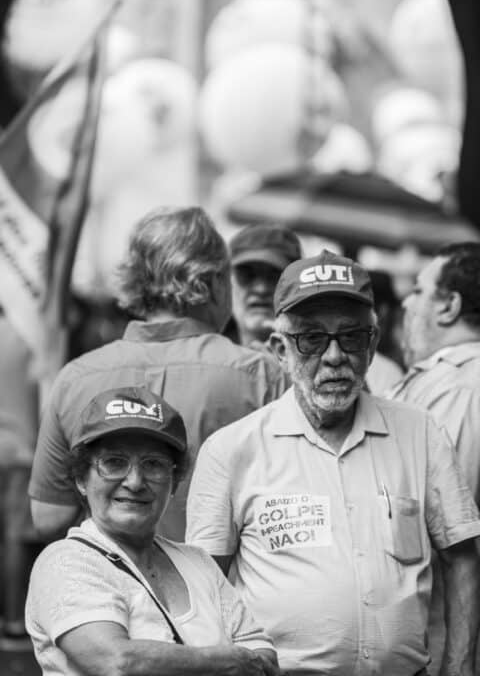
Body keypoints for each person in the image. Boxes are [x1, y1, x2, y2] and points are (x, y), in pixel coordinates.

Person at [187, 249, 480, 676]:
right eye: (311, 339)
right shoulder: (232, 450)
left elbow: (462, 556)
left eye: (351, 337)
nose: (334, 356)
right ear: (280, 350)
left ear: (373, 345)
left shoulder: (421, 433)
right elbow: (203, 590)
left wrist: (459, 666)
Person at [29, 207, 288, 543]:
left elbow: (48, 517)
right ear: (212, 282)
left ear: (135, 280)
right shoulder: (264, 375)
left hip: (108, 573)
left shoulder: (75, 378)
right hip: (222, 573)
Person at [25, 386, 279, 676]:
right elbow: (116, 662)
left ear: (174, 481)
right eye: (114, 462)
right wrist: (228, 661)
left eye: (154, 464)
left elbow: (263, 655)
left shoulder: (198, 562)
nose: (134, 482)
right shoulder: (65, 562)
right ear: (82, 479)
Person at [387, 242, 480, 675]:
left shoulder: (460, 386)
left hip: (440, 642)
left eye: (419, 291)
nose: (407, 303)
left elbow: (447, 526)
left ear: (450, 306)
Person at [227, 224, 303, 347]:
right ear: (226, 283)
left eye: (275, 276)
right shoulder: (203, 354)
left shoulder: (326, 354)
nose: (261, 289)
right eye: (247, 274)